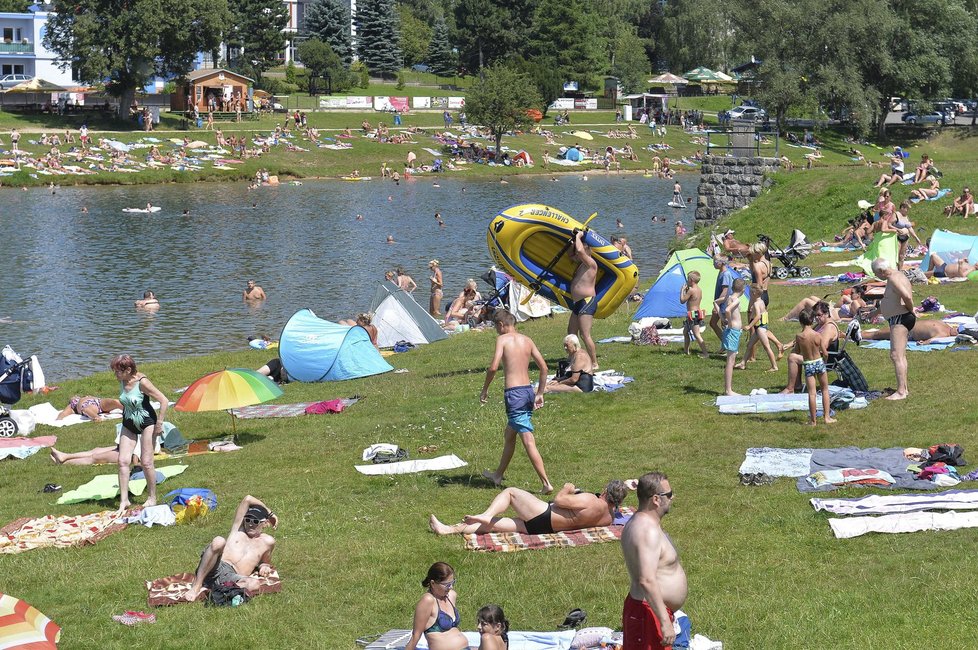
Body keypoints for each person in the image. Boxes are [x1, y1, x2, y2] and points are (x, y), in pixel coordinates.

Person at [479, 310, 553, 494]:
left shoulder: (502, 340)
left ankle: (546, 483)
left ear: (501, 325)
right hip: (528, 392)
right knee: (510, 435)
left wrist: (485, 389)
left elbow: (494, 367)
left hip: (514, 395)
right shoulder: (527, 340)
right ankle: (497, 475)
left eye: (496, 327)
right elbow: (544, 367)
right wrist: (540, 393)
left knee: (527, 440)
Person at [620, 472, 687, 650]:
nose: (673, 498)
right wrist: (665, 623)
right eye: (670, 494)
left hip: (650, 610)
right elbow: (646, 579)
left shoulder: (642, 523)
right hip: (648, 614)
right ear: (656, 499)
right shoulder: (646, 530)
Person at [429, 480, 628, 535]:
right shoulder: (608, 518)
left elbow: (558, 500)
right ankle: (448, 530)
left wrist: (567, 489)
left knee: (511, 492)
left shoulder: (590, 500)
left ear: (605, 491)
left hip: (545, 514)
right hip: (543, 529)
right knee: (493, 526)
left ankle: (485, 514)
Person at [184, 495, 278, 602]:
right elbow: (247, 499)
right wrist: (270, 512)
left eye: (255, 521)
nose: (250, 524)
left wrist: (264, 566)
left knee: (254, 584)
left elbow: (265, 561)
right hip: (215, 566)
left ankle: (219, 592)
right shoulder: (239, 529)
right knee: (219, 541)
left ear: (265, 523)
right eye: (248, 520)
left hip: (233, 577)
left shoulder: (267, 542)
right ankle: (197, 585)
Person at [110, 354, 168, 512]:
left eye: (117, 371)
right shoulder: (123, 381)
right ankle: (124, 501)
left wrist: (159, 424)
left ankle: (152, 497)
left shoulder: (142, 382)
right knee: (122, 461)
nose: (115, 375)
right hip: (128, 422)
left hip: (147, 422)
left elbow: (164, 400)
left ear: (128, 370)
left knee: (146, 462)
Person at [873, 257, 913, 400]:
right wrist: (874, 313)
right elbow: (889, 300)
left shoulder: (894, 278)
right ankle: (904, 389)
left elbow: (907, 296)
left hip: (900, 318)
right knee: (900, 356)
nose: (877, 277)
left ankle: (901, 392)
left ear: (881, 271)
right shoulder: (895, 276)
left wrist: (910, 310)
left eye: (876, 274)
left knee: (896, 355)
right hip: (899, 317)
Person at [404, 562, 469, 650]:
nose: (451, 587)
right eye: (447, 585)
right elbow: (416, 636)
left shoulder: (451, 596)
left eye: (453, 582)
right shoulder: (428, 600)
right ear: (433, 583)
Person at [782, 301, 841, 394]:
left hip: (824, 359)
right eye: (815, 315)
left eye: (819, 315)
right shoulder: (820, 324)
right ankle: (797, 385)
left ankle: (790, 388)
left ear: (827, 313)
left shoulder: (829, 327)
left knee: (792, 357)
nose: (816, 318)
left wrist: (804, 349)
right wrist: (789, 344)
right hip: (816, 356)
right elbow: (806, 336)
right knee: (794, 353)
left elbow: (822, 347)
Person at [793, 309, 836, 426]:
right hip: (819, 362)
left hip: (808, 364)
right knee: (825, 390)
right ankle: (827, 417)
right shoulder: (818, 335)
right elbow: (825, 352)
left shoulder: (799, 336)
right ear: (812, 320)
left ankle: (813, 421)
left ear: (800, 322)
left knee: (812, 393)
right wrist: (824, 361)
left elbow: (796, 351)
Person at [568, 230, 599, 371]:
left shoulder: (591, 264)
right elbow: (571, 254)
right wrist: (572, 243)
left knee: (585, 335)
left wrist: (579, 236)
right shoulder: (581, 264)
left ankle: (594, 362)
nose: (576, 253)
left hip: (587, 301)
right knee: (571, 333)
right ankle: (574, 359)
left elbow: (580, 251)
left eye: (579, 252)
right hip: (578, 303)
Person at [716, 278, 746, 396]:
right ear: (743, 290)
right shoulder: (736, 300)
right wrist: (728, 321)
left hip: (732, 331)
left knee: (731, 360)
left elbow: (715, 303)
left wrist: (722, 318)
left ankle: (728, 389)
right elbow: (728, 310)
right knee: (730, 361)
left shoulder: (729, 297)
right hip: (733, 331)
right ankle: (728, 390)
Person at [736, 288, 778, 372]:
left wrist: (749, 326)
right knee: (749, 346)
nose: (749, 294)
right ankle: (743, 363)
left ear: (754, 293)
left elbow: (758, 316)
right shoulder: (761, 301)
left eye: (750, 293)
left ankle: (774, 366)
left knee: (767, 347)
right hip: (760, 327)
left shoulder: (756, 304)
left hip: (760, 329)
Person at [680, 271, 709, 359]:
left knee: (696, 334)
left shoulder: (691, 290)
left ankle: (706, 353)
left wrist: (682, 291)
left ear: (691, 280)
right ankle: (686, 351)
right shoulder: (699, 289)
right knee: (685, 332)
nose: (687, 281)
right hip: (696, 313)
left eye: (688, 279)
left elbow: (682, 300)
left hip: (693, 315)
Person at [860, 319, 959, 344]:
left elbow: (931, 341)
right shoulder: (945, 326)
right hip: (907, 326)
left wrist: (924, 342)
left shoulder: (944, 332)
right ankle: (857, 334)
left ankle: (850, 335)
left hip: (907, 331)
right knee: (878, 333)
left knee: (876, 335)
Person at [709, 256, 737, 345]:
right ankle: (725, 344)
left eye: (715, 261)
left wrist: (717, 305)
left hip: (724, 304)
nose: (713, 263)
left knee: (725, 325)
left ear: (721, 263)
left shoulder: (726, 274)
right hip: (720, 304)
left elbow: (725, 291)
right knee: (713, 323)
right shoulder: (721, 272)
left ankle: (729, 346)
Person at [56, 395, 123, 422]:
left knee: (114, 401)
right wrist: (58, 419)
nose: (75, 396)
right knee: (87, 409)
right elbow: (63, 413)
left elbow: (63, 413)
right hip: (87, 405)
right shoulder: (72, 405)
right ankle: (96, 417)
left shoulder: (85, 397)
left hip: (98, 401)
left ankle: (130, 410)